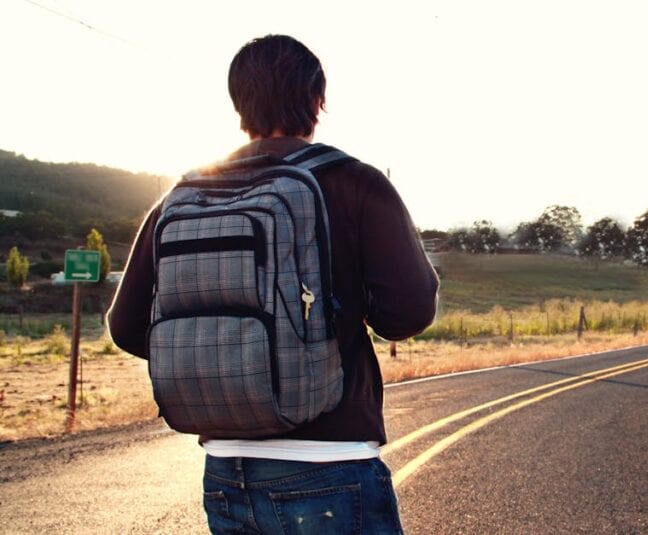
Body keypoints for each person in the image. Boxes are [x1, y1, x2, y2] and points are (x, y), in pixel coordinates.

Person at [108, 34, 439, 534]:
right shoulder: (355, 181)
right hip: (331, 462)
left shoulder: (187, 193)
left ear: (238, 103)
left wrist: (225, 368)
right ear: (317, 100)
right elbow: (409, 313)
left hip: (224, 467)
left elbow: (128, 326)